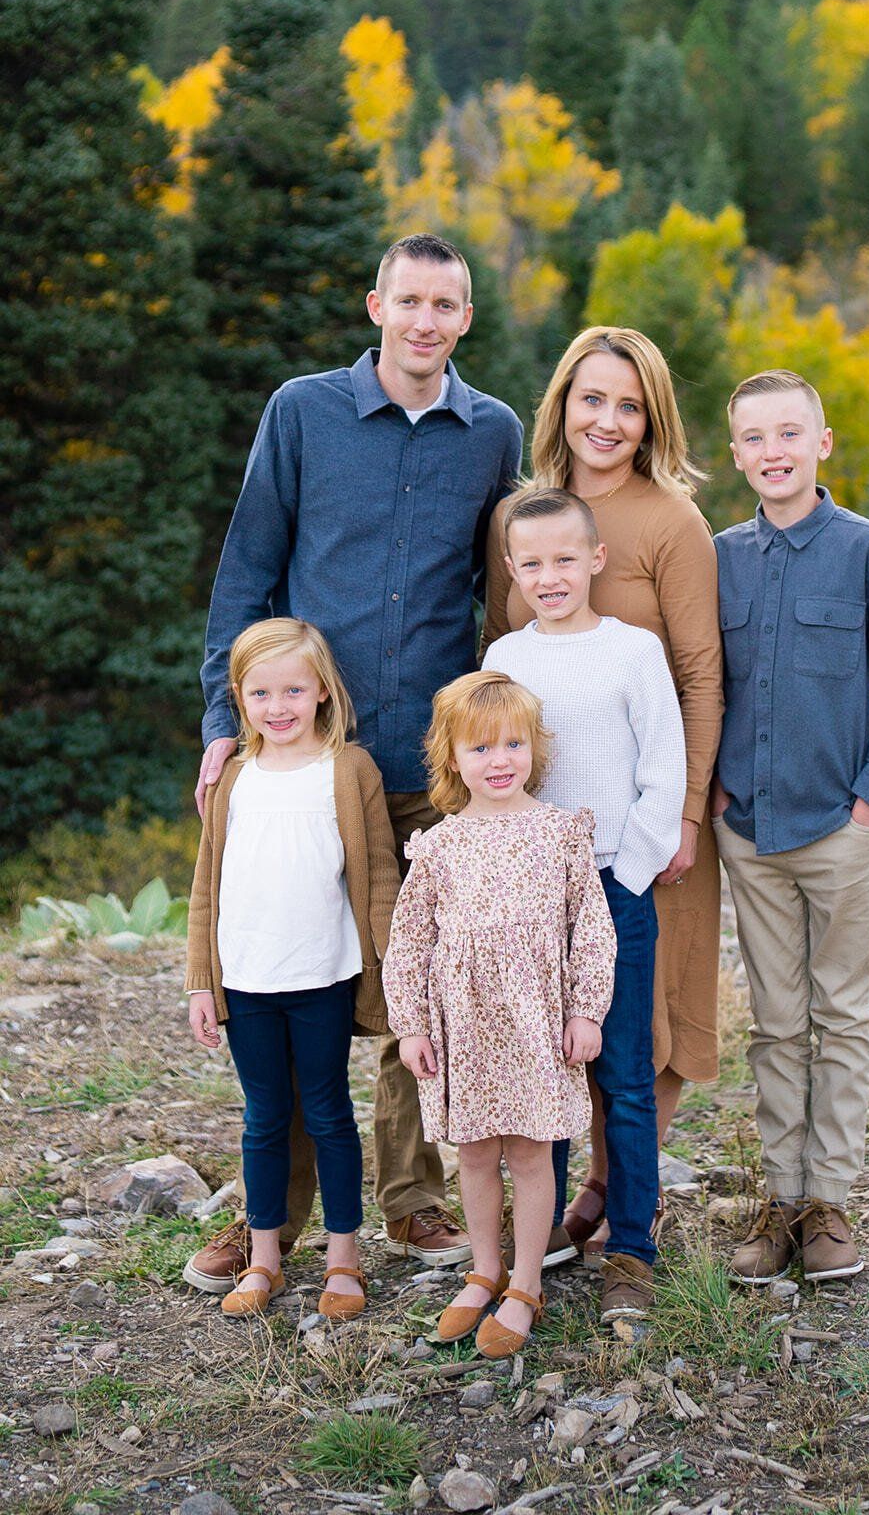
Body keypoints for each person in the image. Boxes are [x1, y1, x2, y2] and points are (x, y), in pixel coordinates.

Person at [183, 233, 523, 1293]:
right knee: (288, 977)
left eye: (445, 305)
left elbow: (501, 594)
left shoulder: (492, 432)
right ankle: (272, 1218)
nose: (425, 321)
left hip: (430, 763)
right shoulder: (303, 412)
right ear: (377, 305)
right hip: (308, 763)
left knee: (416, 979)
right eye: (408, 300)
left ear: (465, 319)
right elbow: (247, 570)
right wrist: (223, 717)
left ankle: (413, 1197)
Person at [483, 328, 722, 1262]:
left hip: (646, 825)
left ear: (652, 419)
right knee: (558, 1017)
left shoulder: (670, 521)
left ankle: (626, 1205)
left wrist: (684, 816)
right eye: (593, 399)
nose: (609, 421)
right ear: (562, 404)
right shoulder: (524, 515)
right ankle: (576, 1194)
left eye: (630, 405)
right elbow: (499, 675)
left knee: (644, 1018)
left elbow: (699, 675)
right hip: (540, 843)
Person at [713, 369, 869, 1285]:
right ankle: (780, 1198)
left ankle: (828, 1202)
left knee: (841, 1016)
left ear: (821, 443)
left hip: (842, 828)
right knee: (774, 1022)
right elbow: (702, 683)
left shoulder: (867, 550)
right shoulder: (719, 557)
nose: (773, 451)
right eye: (754, 438)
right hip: (749, 831)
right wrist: (715, 794)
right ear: (736, 454)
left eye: (789, 433)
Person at [483, 488, 686, 1322]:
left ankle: (630, 1245)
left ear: (595, 559)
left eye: (565, 559)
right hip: (530, 896)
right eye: (532, 563)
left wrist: (627, 876)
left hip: (613, 885)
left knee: (624, 1074)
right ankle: (543, 1242)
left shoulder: (632, 651)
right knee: (546, 1071)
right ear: (511, 570)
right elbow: (493, 770)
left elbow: (663, 769)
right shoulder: (506, 659)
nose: (550, 576)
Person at [382, 670, 616, 1355]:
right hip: (465, 1022)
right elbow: (409, 942)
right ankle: (484, 1268)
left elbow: (591, 930)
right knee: (477, 1151)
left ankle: (525, 1281)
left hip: (536, 1019)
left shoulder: (560, 833)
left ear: (534, 748)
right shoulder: (438, 845)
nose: (499, 760)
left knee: (532, 1151)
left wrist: (585, 1011)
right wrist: (411, 1025)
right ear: (452, 757)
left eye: (512, 743)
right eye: (480, 748)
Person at [186, 618, 400, 1320]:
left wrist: (394, 973)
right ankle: (265, 1260)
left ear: (322, 692)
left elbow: (378, 877)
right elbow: (206, 886)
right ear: (239, 699)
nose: (277, 707)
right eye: (260, 694)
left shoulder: (349, 769)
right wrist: (200, 982)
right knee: (265, 1119)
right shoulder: (232, 778)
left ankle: (343, 1259)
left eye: (293, 691)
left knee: (330, 1114)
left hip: (321, 977)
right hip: (246, 980)